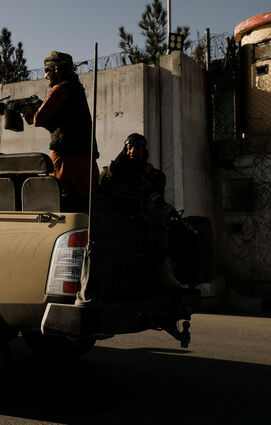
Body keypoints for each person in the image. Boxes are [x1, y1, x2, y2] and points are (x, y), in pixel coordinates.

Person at [99, 133, 181, 291]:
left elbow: (151, 196)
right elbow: (104, 187)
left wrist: (142, 179)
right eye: (129, 148)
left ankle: (164, 265)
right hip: (117, 213)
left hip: (141, 212)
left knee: (158, 216)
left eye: (137, 148)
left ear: (144, 151)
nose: (132, 151)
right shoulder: (115, 169)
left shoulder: (153, 174)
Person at [28, 50, 99, 211]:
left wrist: (34, 112)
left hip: (66, 159)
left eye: (47, 70)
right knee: (87, 204)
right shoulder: (76, 88)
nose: (45, 76)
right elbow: (63, 123)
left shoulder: (60, 89)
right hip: (84, 156)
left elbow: (39, 119)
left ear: (58, 70)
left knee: (59, 200)